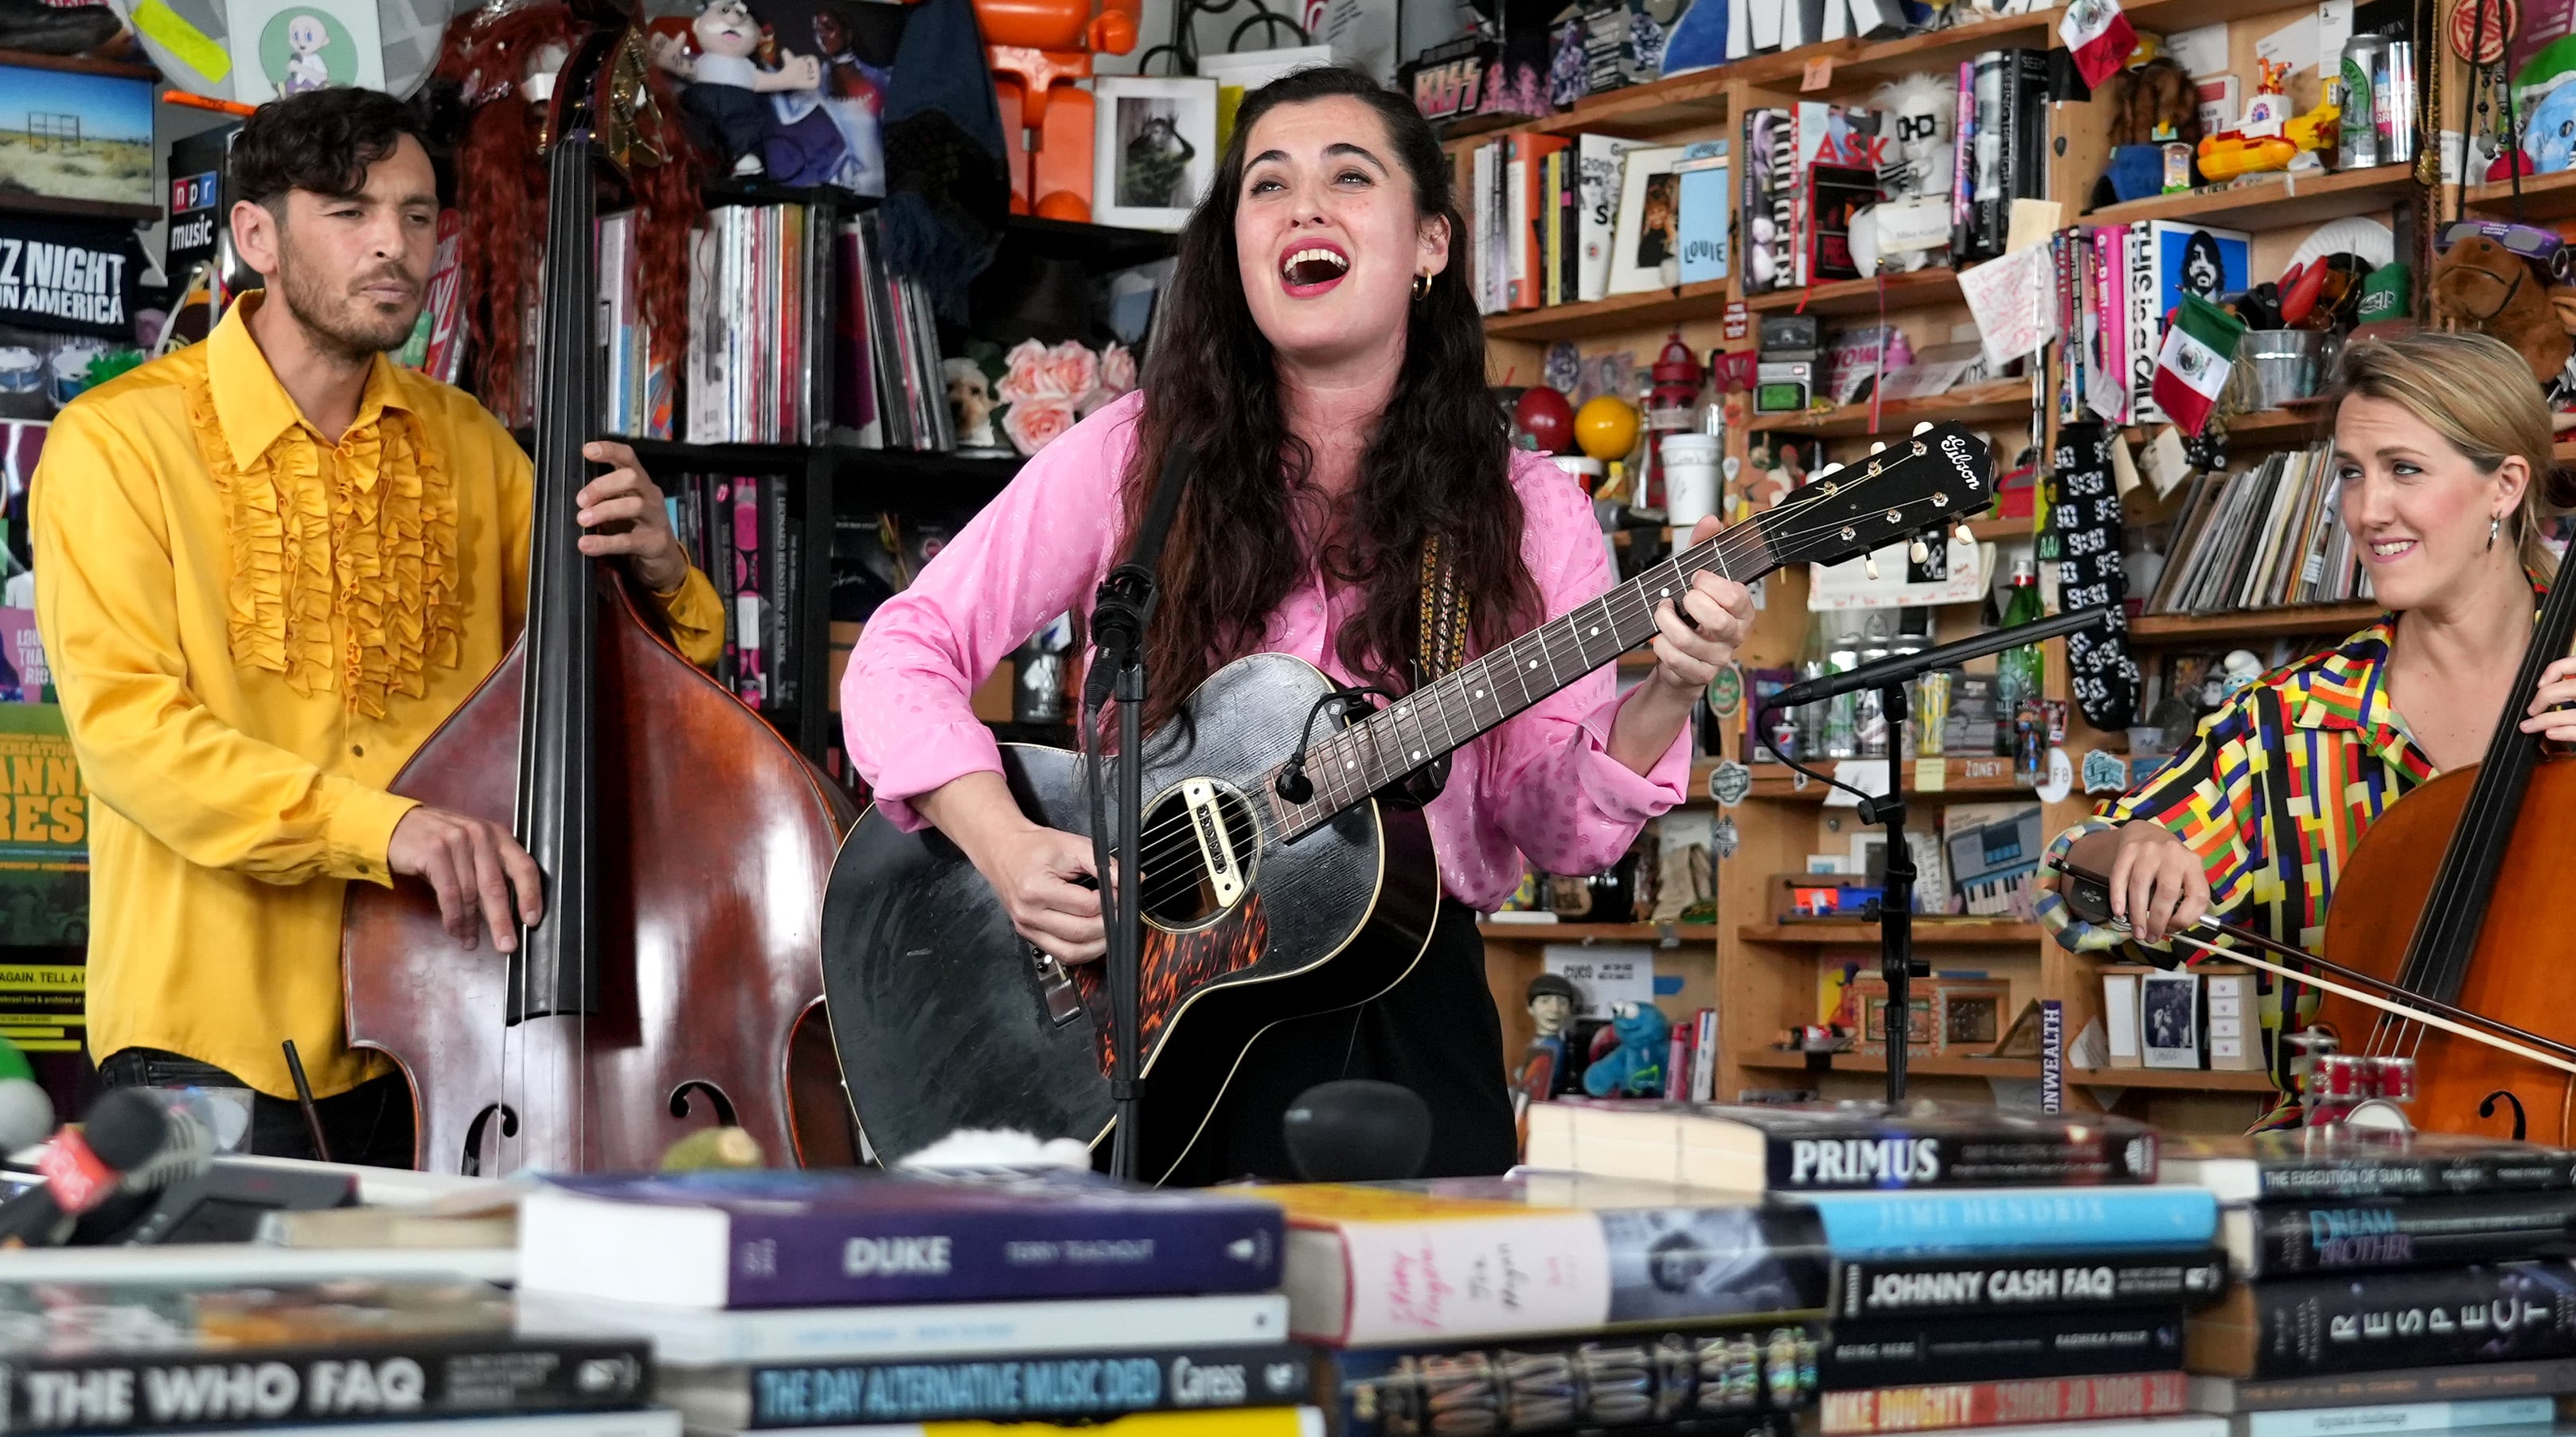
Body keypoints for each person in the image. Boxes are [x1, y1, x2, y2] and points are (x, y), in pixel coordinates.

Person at [843, 65, 1754, 1181]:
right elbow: (899, 651)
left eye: (1349, 177)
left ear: (1430, 245)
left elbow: (1554, 828)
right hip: (1147, 1014)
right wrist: (1008, 841)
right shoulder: (1136, 454)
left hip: (1405, 1012)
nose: (1304, 207)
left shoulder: (1525, 509)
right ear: (1235, 246)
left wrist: (1664, 688)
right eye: (1267, 185)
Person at [31, 88, 726, 1166]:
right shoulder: (118, 442)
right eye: (350, 212)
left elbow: (628, 708)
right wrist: (384, 828)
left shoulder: (476, 448)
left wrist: (664, 571)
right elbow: (132, 737)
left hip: (448, 1037)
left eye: (417, 214)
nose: (395, 245)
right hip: (212, 1043)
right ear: (255, 233)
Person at [2046, 330, 2576, 1127]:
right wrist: (2124, 852)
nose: (2368, 510)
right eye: (2352, 474)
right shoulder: (2292, 719)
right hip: (2354, 1153)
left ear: (2506, 487)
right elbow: (2073, 888)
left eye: (2405, 469)